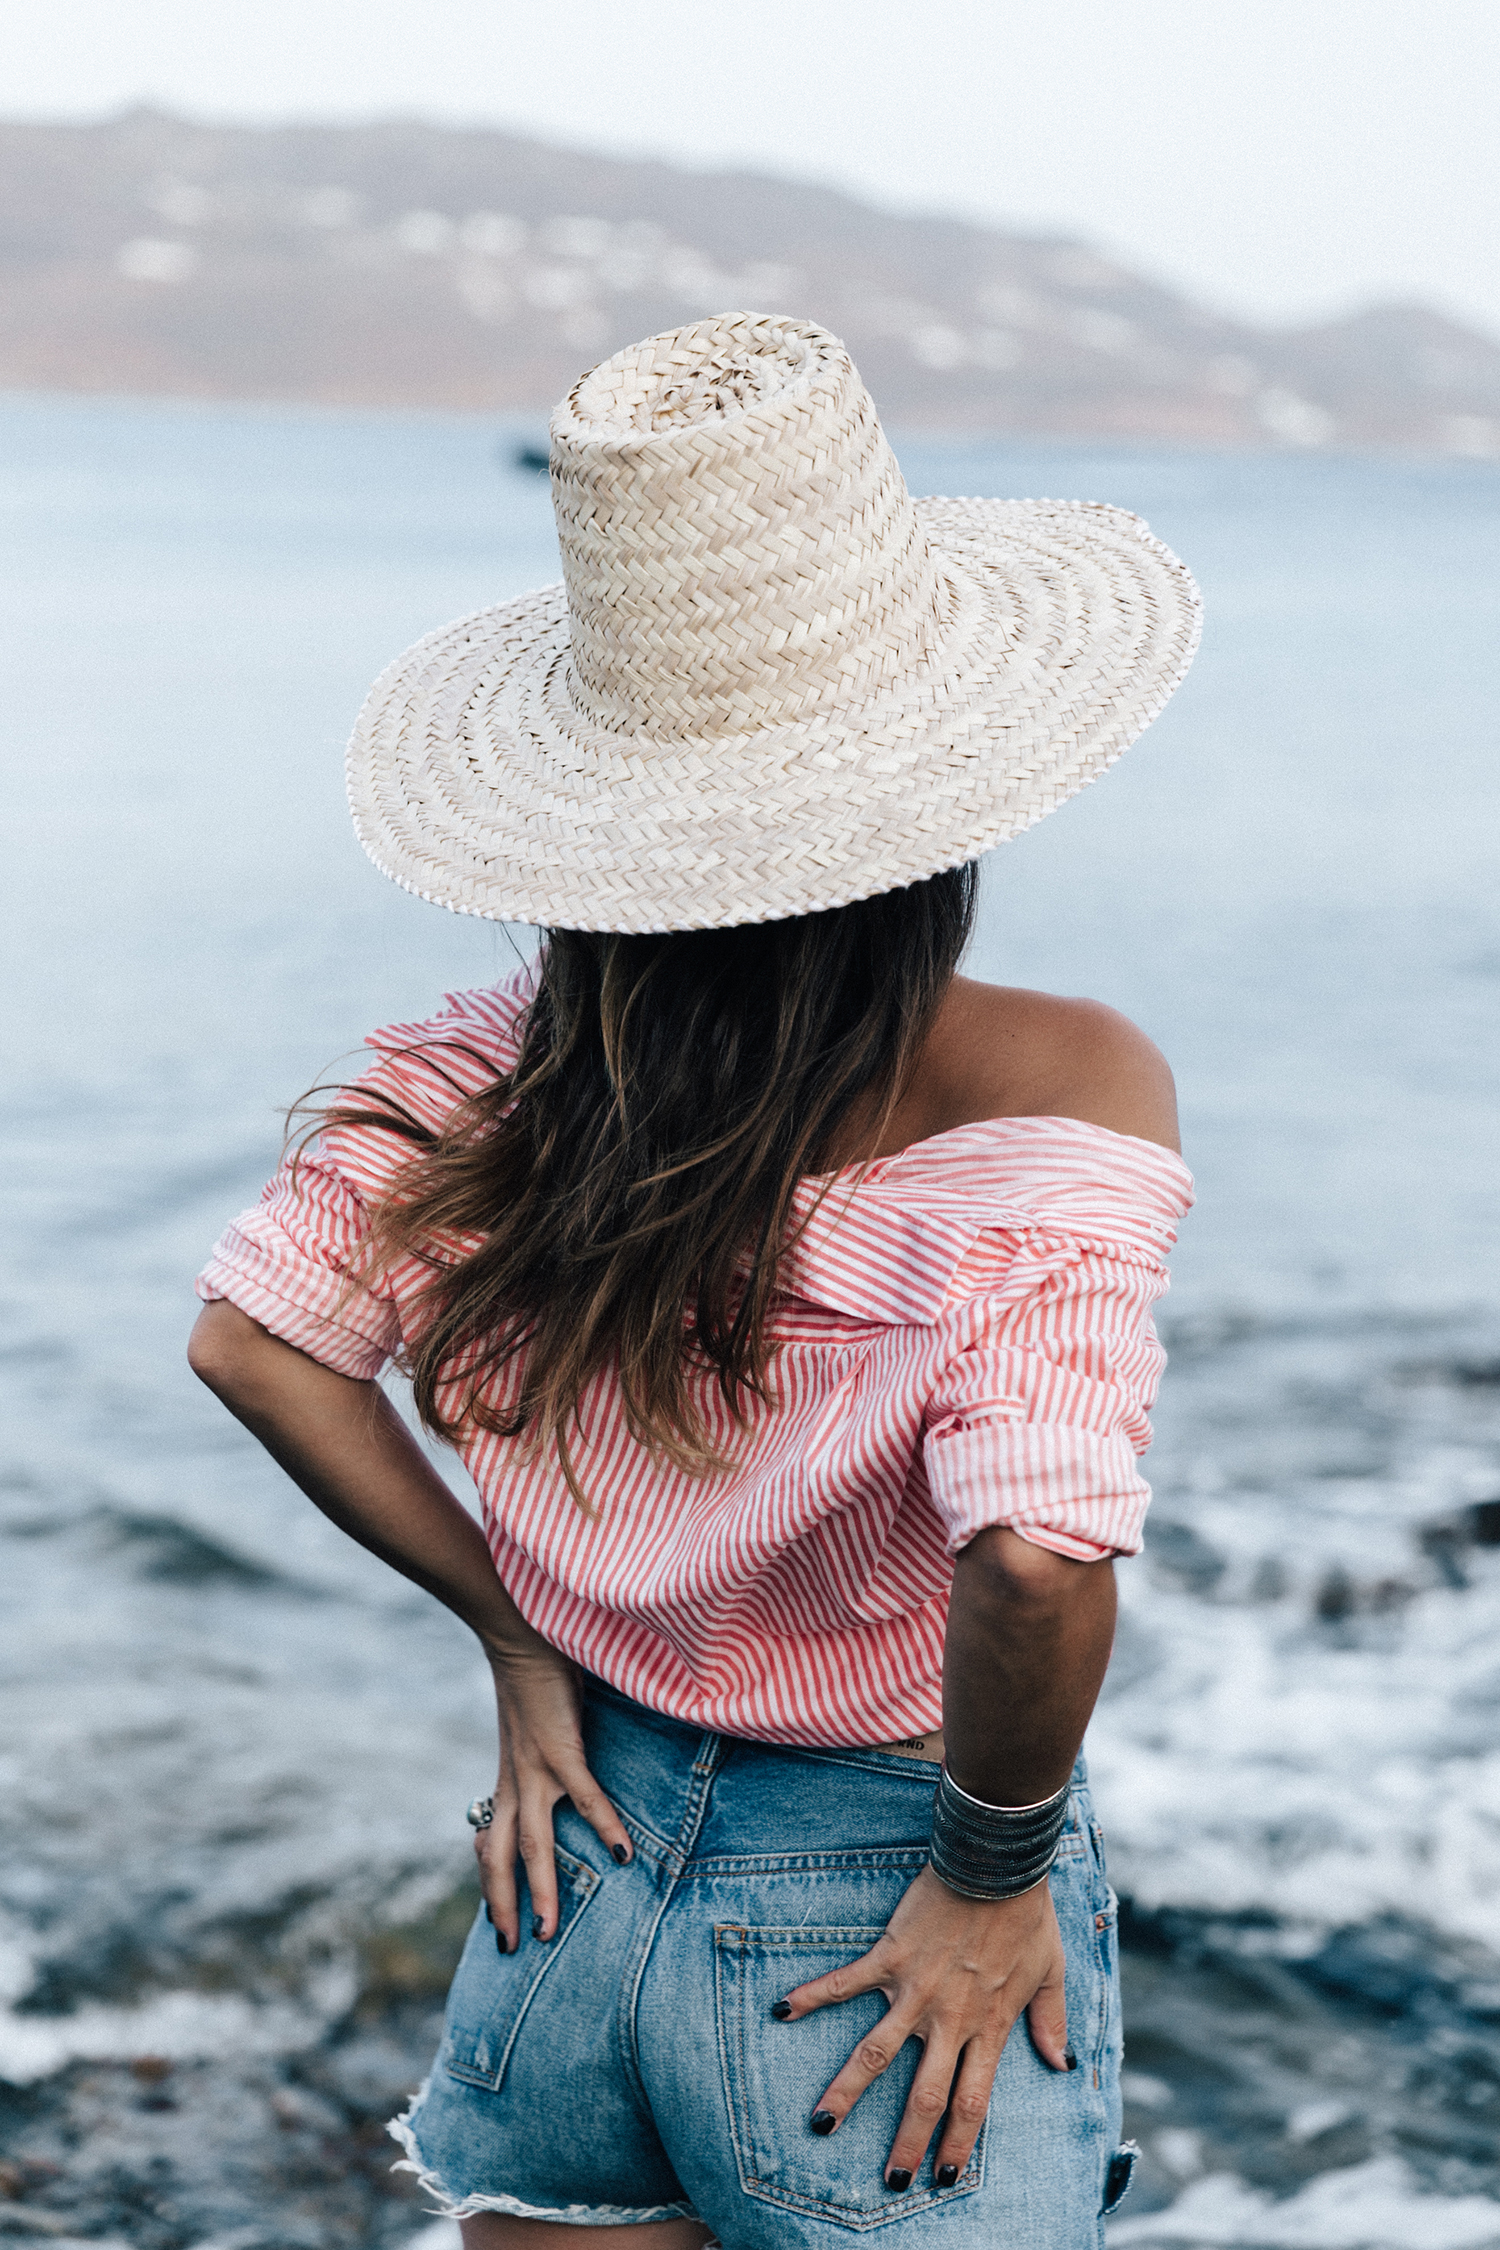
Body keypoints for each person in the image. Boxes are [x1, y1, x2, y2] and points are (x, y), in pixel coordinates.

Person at [188, 314, 1198, 2249]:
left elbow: (256, 1342)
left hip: (573, 1859)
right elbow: (1043, 1552)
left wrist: (512, 1631)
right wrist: (990, 1874)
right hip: (880, 1885)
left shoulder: (487, 1074)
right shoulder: (1063, 1084)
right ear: (940, 805)